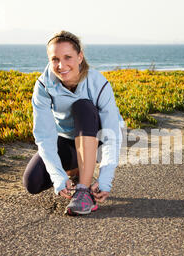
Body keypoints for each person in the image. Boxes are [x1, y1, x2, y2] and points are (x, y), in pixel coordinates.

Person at [23, 30, 124, 216]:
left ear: (80, 57)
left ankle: (84, 190)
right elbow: (45, 136)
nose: (61, 65)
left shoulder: (98, 83)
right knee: (32, 182)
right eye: (55, 59)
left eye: (68, 57)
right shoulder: (44, 85)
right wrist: (58, 177)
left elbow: (112, 134)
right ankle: (77, 170)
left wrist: (105, 180)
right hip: (68, 138)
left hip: (99, 138)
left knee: (83, 107)